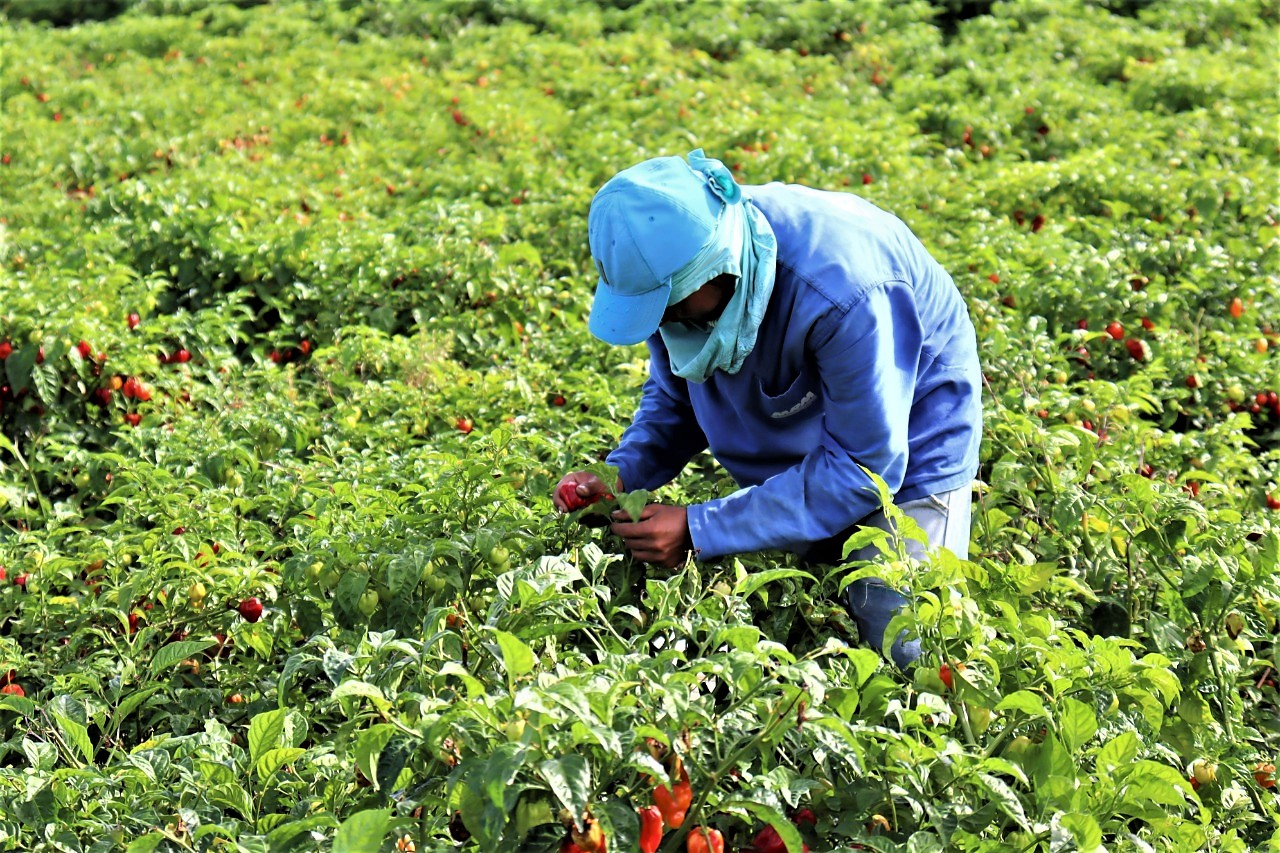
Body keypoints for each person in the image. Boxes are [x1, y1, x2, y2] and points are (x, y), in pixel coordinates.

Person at [552, 149, 982, 667]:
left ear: (719, 267)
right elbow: (675, 398)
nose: (667, 322)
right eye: (655, 311)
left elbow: (863, 466)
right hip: (809, 418)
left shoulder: (844, 288)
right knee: (805, 562)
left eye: (673, 306)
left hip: (911, 426)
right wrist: (621, 473)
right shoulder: (675, 280)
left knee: (906, 642)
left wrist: (699, 527)